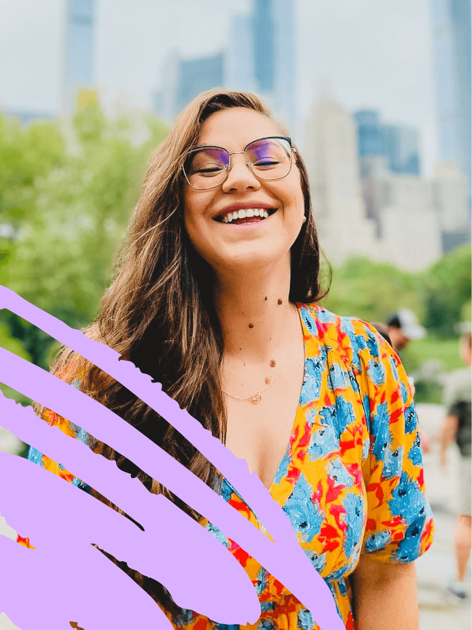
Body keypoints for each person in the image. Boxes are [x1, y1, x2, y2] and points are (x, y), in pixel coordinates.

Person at [27, 90, 434, 629]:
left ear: (302, 194)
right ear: (175, 206)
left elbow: (386, 574)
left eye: (268, 156)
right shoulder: (96, 381)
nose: (241, 178)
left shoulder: (364, 365)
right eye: (206, 165)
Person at [439, 330, 471, 602]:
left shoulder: (462, 380)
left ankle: (459, 582)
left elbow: (449, 422)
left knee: (466, 520)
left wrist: (442, 453)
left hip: (469, 457)